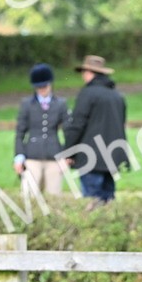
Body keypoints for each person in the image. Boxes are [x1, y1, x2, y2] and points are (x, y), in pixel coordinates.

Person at [61, 55, 128, 206]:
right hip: (112, 157)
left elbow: (77, 125)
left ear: (89, 73)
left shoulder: (87, 94)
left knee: (91, 203)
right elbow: (121, 125)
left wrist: (68, 152)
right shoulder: (117, 96)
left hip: (90, 158)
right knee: (108, 201)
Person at [13, 63, 69, 196]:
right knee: (29, 196)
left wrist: (66, 155)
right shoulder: (27, 104)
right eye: (39, 87)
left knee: (54, 196)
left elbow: (68, 130)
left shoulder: (61, 104)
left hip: (54, 155)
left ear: (50, 84)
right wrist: (19, 157)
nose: (42, 89)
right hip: (32, 155)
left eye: (44, 86)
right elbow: (20, 132)